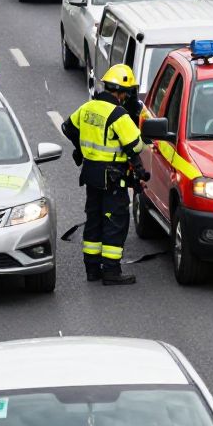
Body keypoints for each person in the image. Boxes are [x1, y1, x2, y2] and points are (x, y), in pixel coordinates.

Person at [62, 64, 151, 285]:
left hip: (91, 174)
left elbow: (68, 128)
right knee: (115, 221)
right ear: (122, 92)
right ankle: (111, 271)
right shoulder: (119, 114)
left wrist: (81, 149)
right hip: (112, 177)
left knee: (94, 219)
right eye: (128, 92)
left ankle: (92, 270)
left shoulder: (88, 107)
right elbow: (136, 145)